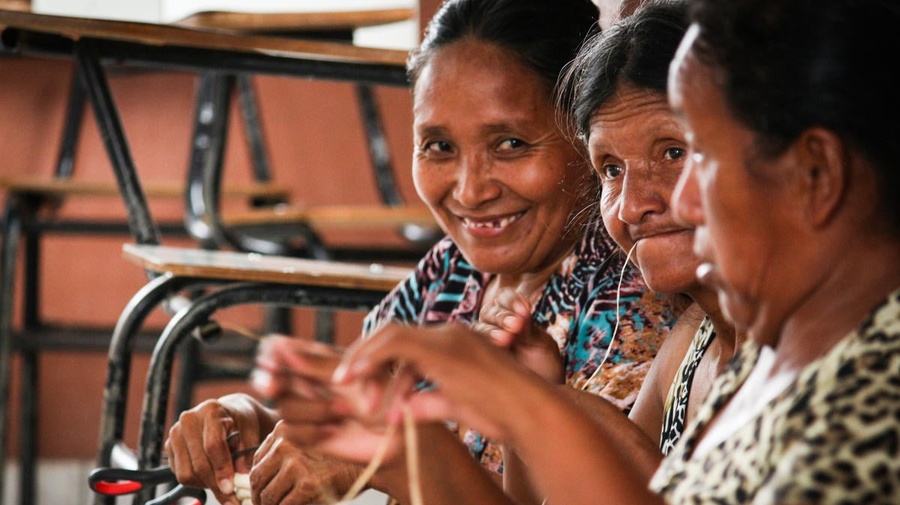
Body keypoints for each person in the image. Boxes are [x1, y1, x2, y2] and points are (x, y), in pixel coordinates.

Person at [259, 0, 900, 503]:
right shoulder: (763, 356)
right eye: (612, 170)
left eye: (693, 155)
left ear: (815, 173)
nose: (661, 203)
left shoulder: (874, 391)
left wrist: (523, 411)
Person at [163, 0, 680, 504]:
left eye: (511, 144)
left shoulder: (630, 299)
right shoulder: (455, 270)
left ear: (584, 139)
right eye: (439, 147)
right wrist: (256, 424)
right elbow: (360, 406)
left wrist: (392, 456)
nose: (471, 191)